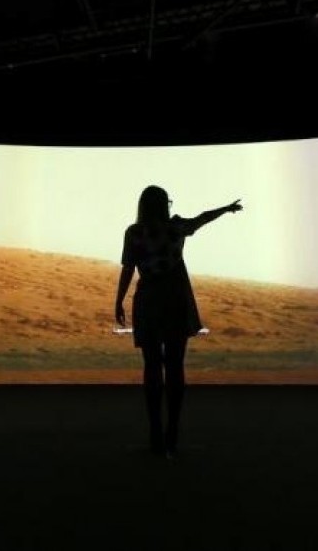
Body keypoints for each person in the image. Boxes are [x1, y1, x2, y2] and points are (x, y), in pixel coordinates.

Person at [115, 185, 242, 459]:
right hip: (174, 299)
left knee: (151, 365)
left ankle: (155, 433)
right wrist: (226, 209)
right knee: (174, 365)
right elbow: (203, 218)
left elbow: (127, 268)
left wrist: (118, 301)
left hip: (148, 299)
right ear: (164, 205)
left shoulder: (134, 233)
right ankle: (172, 431)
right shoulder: (176, 228)